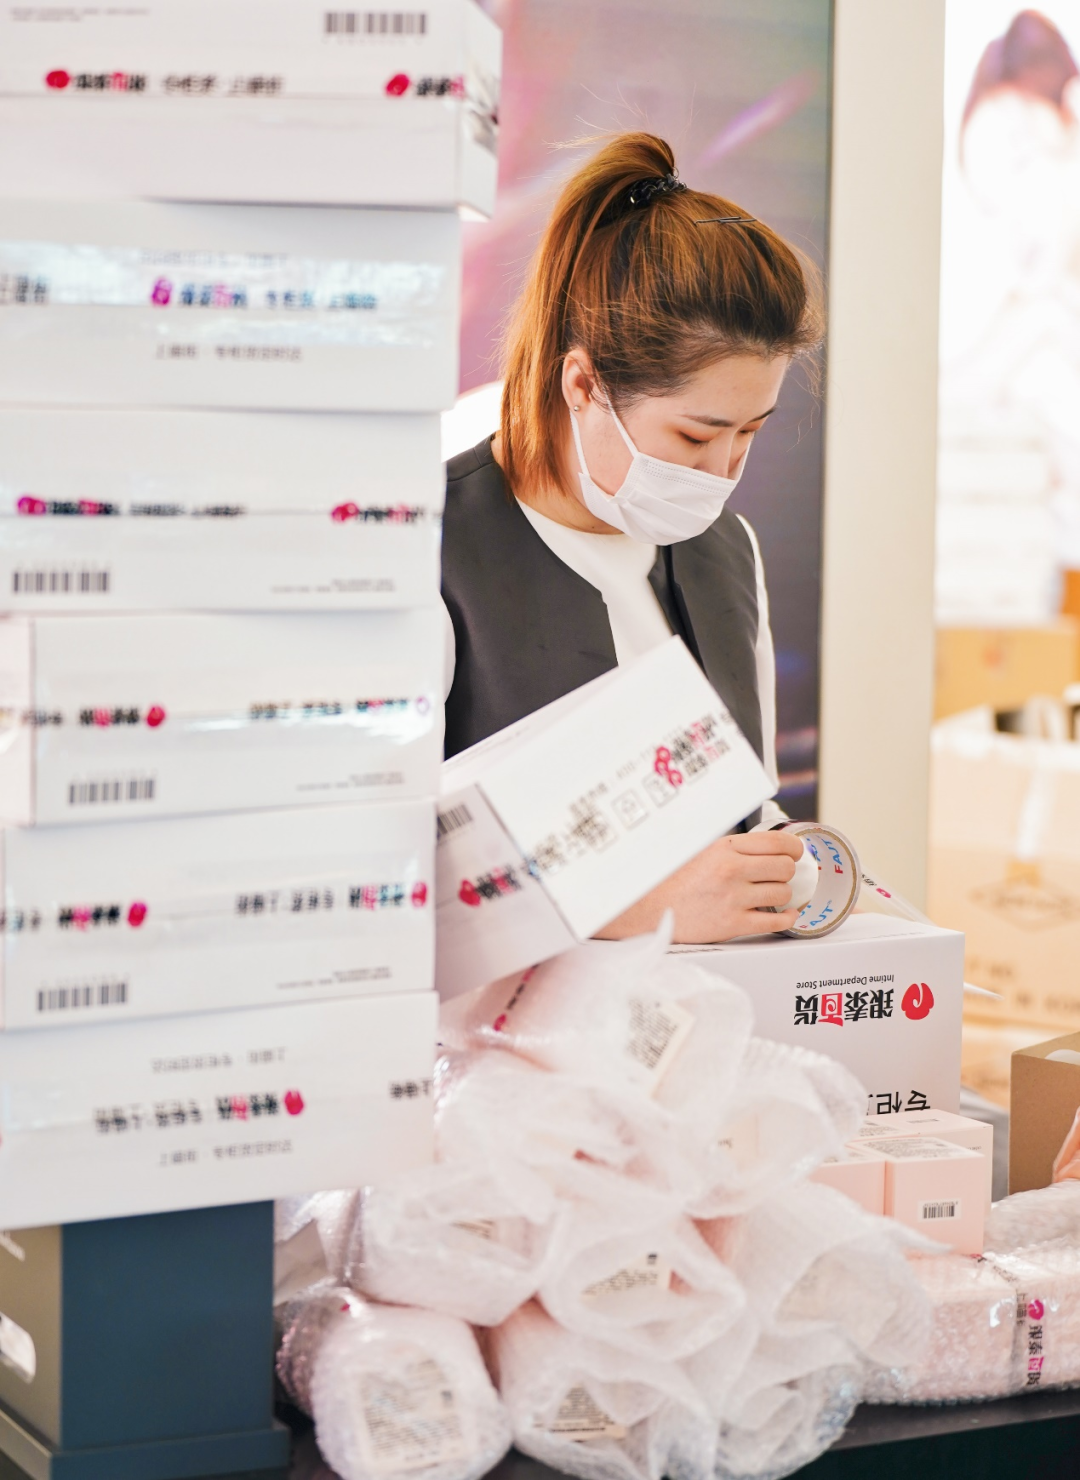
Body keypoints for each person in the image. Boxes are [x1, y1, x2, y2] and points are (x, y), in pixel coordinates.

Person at [441, 131, 823, 944]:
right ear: (583, 383)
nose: (722, 472)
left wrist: (781, 869)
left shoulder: (727, 554)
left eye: (751, 432)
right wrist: (641, 907)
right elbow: (376, 881)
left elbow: (750, 808)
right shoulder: (433, 551)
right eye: (695, 435)